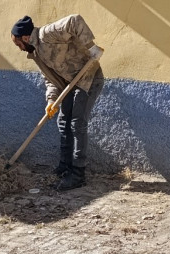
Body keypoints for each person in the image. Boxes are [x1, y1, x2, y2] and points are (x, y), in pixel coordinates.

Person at [11, 14, 105, 191]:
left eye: (18, 44)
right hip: (70, 84)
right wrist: (50, 100)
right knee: (63, 121)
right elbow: (50, 80)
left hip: (88, 79)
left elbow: (74, 21)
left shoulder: (47, 34)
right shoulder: (37, 54)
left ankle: (78, 174)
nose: (19, 48)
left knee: (77, 123)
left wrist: (91, 47)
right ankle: (65, 166)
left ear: (25, 37)